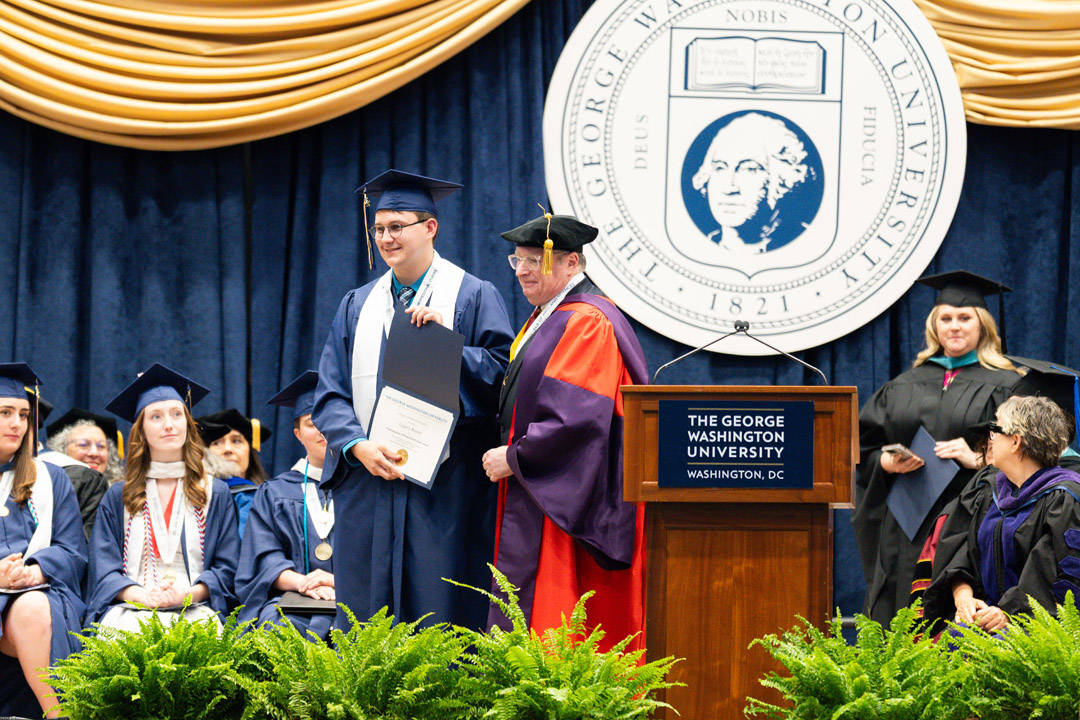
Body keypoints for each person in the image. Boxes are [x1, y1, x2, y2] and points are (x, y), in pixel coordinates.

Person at [314, 170, 513, 630]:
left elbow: (502, 378)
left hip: (443, 487)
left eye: (397, 226)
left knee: (440, 613)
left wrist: (449, 346)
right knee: (364, 618)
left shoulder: (473, 295)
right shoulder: (357, 304)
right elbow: (330, 392)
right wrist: (356, 446)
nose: (386, 237)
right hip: (369, 481)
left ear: (430, 228)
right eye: (379, 228)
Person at [481, 213, 648, 653]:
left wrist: (516, 457)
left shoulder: (587, 320)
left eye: (536, 260)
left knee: (558, 613)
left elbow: (577, 418)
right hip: (539, 489)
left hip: (560, 496)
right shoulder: (548, 317)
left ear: (572, 263)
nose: (522, 270)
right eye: (516, 260)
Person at [853, 271, 1022, 625]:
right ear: (934, 326)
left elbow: (1033, 455)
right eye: (945, 318)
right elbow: (857, 448)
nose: (954, 326)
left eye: (964, 318)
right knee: (900, 614)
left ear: (983, 325)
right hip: (905, 523)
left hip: (969, 518)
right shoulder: (904, 383)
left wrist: (980, 459)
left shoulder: (1008, 384)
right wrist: (884, 462)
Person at [85, 363, 240, 632]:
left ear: (188, 424)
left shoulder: (215, 492)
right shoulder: (118, 496)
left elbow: (228, 568)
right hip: (131, 606)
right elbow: (104, 570)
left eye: (176, 414)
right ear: (141, 430)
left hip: (198, 608)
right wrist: (141, 595)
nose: (169, 425)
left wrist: (189, 595)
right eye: (156, 416)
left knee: (200, 635)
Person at [922, 396, 1080, 630]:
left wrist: (1010, 613)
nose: (990, 437)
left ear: (1016, 442)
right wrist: (963, 597)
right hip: (983, 621)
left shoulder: (1064, 499)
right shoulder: (987, 489)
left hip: (1036, 631)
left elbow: (1054, 576)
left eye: (996, 428)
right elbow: (960, 552)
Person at [0, 364, 88, 720]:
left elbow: (73, 552)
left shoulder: (49, 479)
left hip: (37, 595)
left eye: (23, 414)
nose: (17, 423)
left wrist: (32, 572)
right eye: (5, 413)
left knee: (33, 608)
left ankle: (60, 714)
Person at [236, 371, 336, 640]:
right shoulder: (275, 492)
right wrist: (302, 582)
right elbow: (263, 557)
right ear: (297, 434)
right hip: (294, 602)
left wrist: (338, 583)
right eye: (311, 423)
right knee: (275, 627)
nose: (322, 429)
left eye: (330, 418)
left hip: (353, 600)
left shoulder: (366, 491)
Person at [690, 112, 811, 254]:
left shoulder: (810, 244)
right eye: (720, 168)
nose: (729, 188)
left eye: (750, 169)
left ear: (782, 179)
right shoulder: (693, 248)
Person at [44, 408, 124, 538]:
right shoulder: (49, 491)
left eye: (101, 446)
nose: (94, 453)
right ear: (61, 449)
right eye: (83, 445)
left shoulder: (121, 496)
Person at [196, 409, 271, 537]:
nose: (227, 449)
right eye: (217, 443)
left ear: (250, 451)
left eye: (236, 441)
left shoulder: (267, 496)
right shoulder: (197, 496)